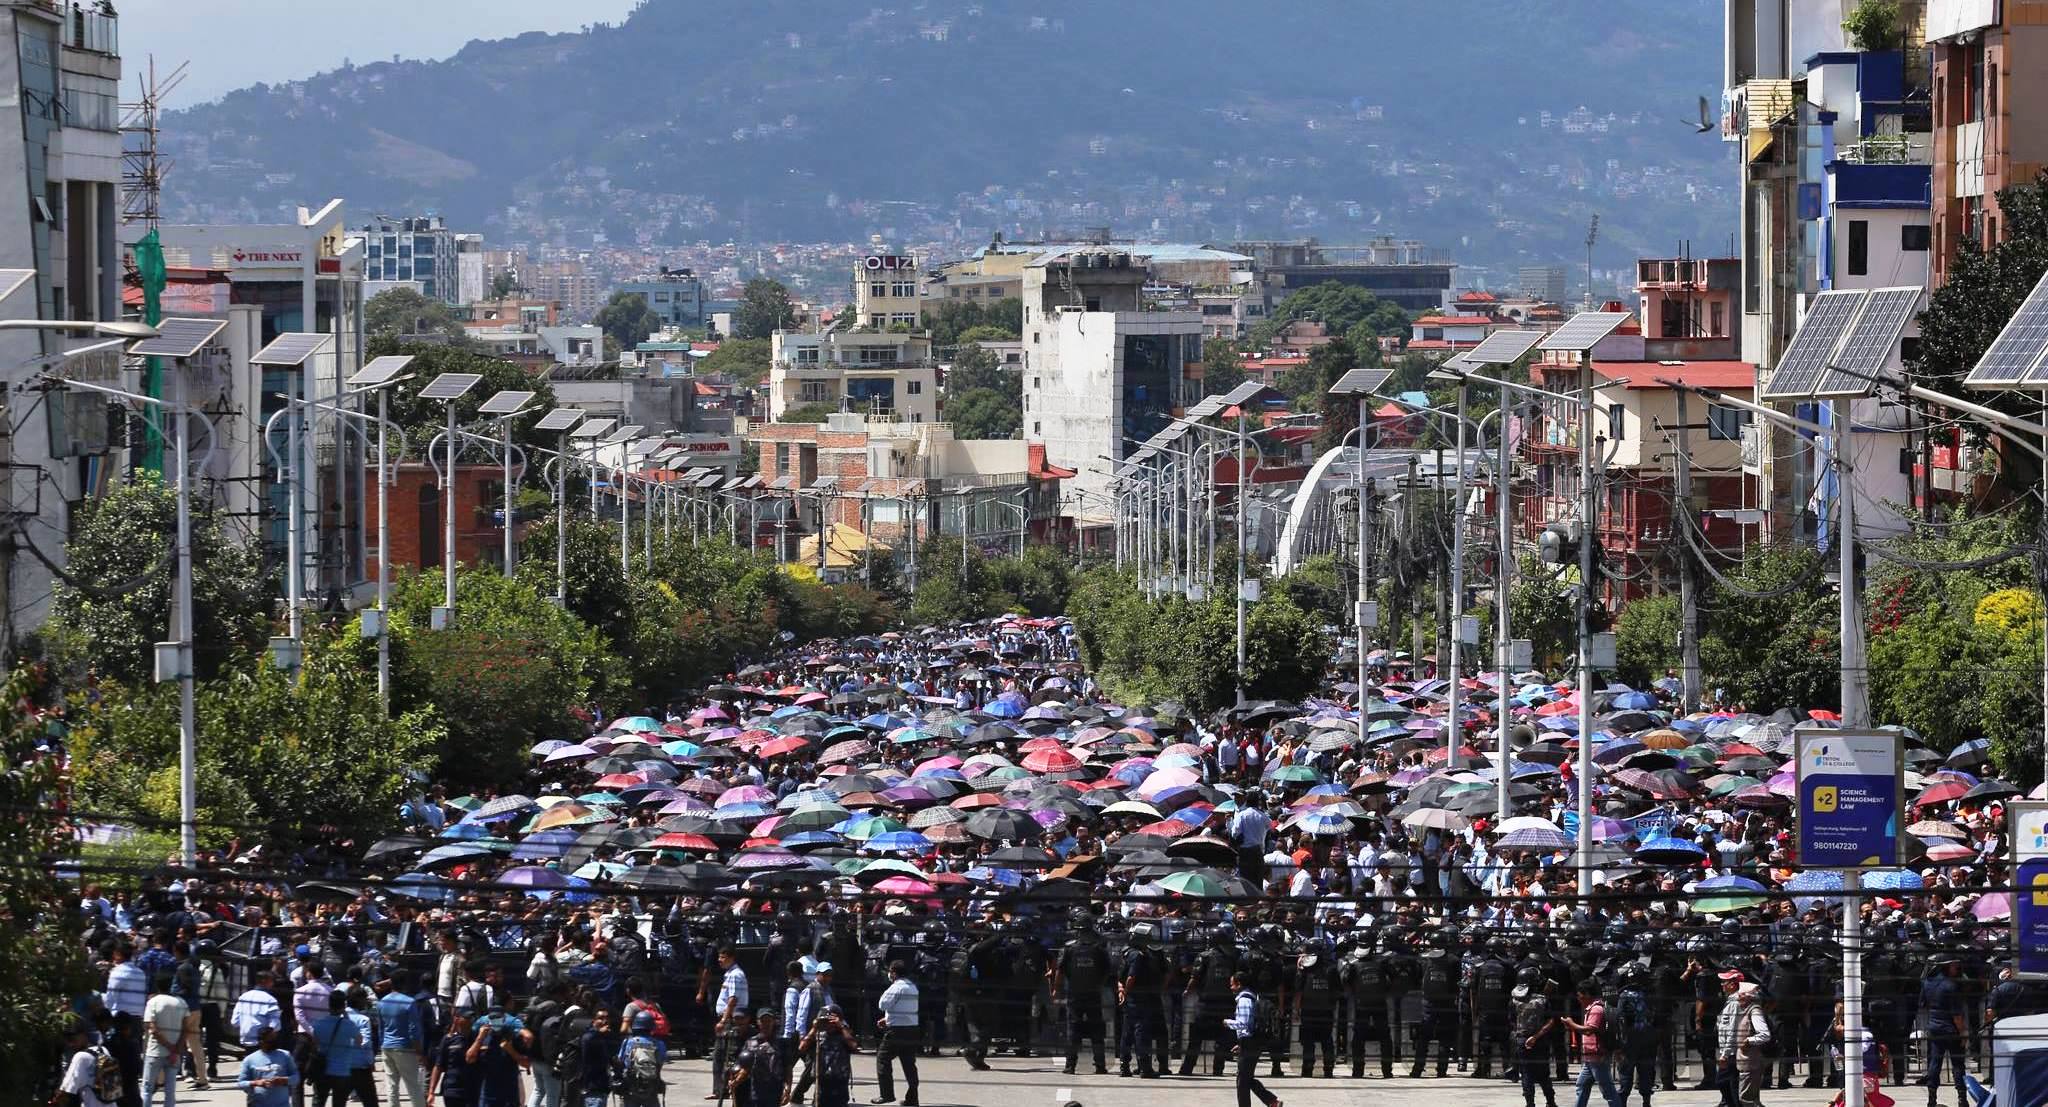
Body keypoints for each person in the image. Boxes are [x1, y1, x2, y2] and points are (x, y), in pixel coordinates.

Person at [1223, 970, 1281, 1107]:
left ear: (1239, 984)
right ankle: (1272, 1101)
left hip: (1250, 1043)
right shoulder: (1253, 997)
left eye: (1232, 984)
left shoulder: (1244, 1000)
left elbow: (1243, 1023)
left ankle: (1271, 1101)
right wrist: (1241, 1043)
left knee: (1242, 1080)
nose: (1231, 988)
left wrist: (1227, 1022)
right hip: (1250, 1042)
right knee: (1245, 1078)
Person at [1715, 973, 1770, 1107]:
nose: (1739, 996)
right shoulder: (1737, 1004)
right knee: (1735, 1091)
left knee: (1743, 1097)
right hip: (1739, 1056)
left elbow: (1763, 1034)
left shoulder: (1751, 1009)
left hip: (1742, 1057)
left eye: (1742, 993)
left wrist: (1747, 1041)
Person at [1919, 955, 1967, 1107]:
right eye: (1953, 965)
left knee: (1935, 1064)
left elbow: (1923, 1003)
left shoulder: (1927, 983)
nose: (1956, 968)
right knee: (1958, 1065)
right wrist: (1963, 1033)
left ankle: (1931, 1100)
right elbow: (1957, 1016)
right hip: (1951, 1030)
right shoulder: (1950, 986)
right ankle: (1962, 1099)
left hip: (1934, 1028)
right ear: (1944, 967)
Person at [374, 971, 425, 1107]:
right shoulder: (409, 1002)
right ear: (404, 983)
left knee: (391, 1084)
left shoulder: (382, 1002)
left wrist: (382, 1044)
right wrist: (419, 1050)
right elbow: (414, 1029)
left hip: (387, 1046)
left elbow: (381, 1028)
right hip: (405, 1047)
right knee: (413, 1085)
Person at [1564, 983, 1619, 1107]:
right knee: (1581, 1087)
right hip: (1590, 1058)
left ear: (1587, 994)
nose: (1578, 999)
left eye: (1580, 996)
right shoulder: (1592, 1008)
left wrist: (1571, 1024)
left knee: (1608, 1091)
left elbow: (1589, 1030)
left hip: (1597, 1057)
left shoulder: (1596, 1010)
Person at [874, 960, 920, 1106]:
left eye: (890, 971)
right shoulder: (913, 987)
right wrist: (887, 1019)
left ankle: (886, 1094)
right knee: (909, 1064)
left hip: (896, 1031)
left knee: (882, 1059)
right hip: (911, 1029)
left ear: (894, 972)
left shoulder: (896, 987)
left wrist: (889, 1018)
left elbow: (883, 1004)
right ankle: (912, 1098)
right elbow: (904, 1008)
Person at [469, 1000, 532, 1107]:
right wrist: (479, 1039)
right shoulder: (483, 1036)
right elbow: (469, 1058)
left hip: (509, 1095)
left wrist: (511, 1050)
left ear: (504, 1018)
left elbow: (526, 1064)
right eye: (493, 1019)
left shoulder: (512, 1037)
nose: (495, 1022)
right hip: (487, 1095)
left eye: (498, 1018)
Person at [141, 970, 190, 1107]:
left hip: (155, 1052)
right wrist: (176, 1048)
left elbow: (153, 1029)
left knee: (147, 1089)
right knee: (170, 1090)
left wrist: (168, 1045)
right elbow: (185, 1029)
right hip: (174, 1054)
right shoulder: (181, 1002)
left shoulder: (153, 1002)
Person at [706, 945, 748, 1098]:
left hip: (730, 1020)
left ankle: (723, 1090)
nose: (719, 960)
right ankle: (721, 1090)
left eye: (723, 957)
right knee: (722, 1056)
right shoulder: (730, 974)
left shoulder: (735, 975)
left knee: (723, 1056)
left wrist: (723, 1021)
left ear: (731, 958)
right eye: (719, 956)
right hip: (729, 1019)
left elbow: (733, 999)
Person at [53, 1015, 120, 1107]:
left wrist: (55, 1100)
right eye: (67, 1040)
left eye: (72, 1039)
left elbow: (65, 1092)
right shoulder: (103, 1050)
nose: (70, 1044)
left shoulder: (80, 1057)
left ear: (84, 1035)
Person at [799, 1004, 858, 1107]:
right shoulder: (818, 1036)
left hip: (839, 1082)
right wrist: (814, 1028)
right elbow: (802, 1047)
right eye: (826, 1021)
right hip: (822, 1082)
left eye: (831, 1021)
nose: (829, 1024)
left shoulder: (844, 1035)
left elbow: (854, 1046)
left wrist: (841, 1026)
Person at [1515, 979, 1560, 1107]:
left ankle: (1530, 1103)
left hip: (1522, 1040)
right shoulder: (1543, 1000)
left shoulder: (1515, 1001)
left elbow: (1512, 1021)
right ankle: (1550, 1102)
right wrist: (1536, 1036)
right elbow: (1551, 1022)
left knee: (1526, 1073)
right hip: (1541, 1041)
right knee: (1544, 1073)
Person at [725, 1011, 782, 1107]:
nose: (766, 1024)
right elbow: (745, 1066)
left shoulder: (781, 1043)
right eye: (763, 1021)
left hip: (774, 1088)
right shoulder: (751, 1042)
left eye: (769, 1021)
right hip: (755, 1088)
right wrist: (735, 1081)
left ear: (774, 1022)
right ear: (758, 1022)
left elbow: (787, 1066)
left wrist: (787, 1087)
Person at [237, 1025, 300, 1107]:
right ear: (261, 1041)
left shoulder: (285, 1055)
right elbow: (241, 1083)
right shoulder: (250, 1059)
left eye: (275, 1039)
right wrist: (256, 1083)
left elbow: (296, 1077)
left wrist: (285, 1080)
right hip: (257, 1104)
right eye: (270, 1041)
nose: (274, 1042)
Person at [616, 1010, 668, 1107]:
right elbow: (660, 1062)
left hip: (631, 1086)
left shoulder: (628, 1042)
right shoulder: (659, 1044)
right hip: (651, 1086)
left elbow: (621, 1060)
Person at [427, 1011, 478, 1107]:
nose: (470, 1021)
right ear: (457, 1020)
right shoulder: (448, 1039)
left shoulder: (477, 1038)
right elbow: (438, 1066)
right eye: (467, 1018)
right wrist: (431, 1092)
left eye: (471, 1018)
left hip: (473, 1089)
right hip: (452, 1090)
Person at [575, 1007, 619, 1107]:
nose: (605, 1021)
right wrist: (598, 1032)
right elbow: (586, 1042)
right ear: (594, 1020)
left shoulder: (606, 1036)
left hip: (603, 1086)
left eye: (607, 1018)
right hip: (592, 1087)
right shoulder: (589, 1035)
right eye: (601, 1018)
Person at [233, 970, 284, 1049]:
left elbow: (234, 1022)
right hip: (262, 1042)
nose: (272, 984)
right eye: (271, 981)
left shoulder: (243, 997)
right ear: (264, 981)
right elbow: (275, 1024)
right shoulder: (270, 999)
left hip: (245, 1039)